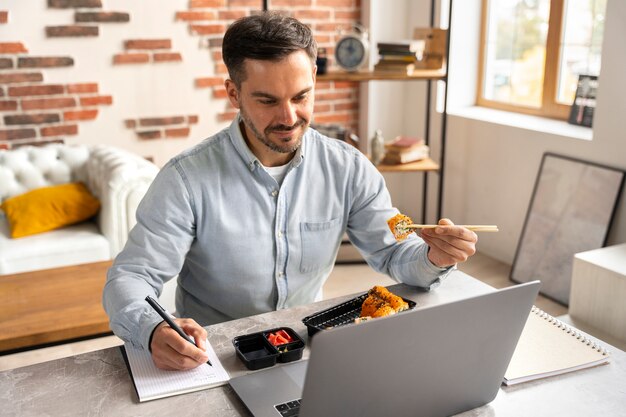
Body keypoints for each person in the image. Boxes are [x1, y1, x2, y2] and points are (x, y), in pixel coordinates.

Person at [102, 12, 477, 371]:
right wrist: (152, 329)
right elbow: (131, 277)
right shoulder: (185, 179)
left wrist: (434, 256)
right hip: (210, 356)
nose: (288, 117)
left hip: (309, 347)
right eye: (267, 100)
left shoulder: (349, 167)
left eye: (301, 96)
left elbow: (396, 250)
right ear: (233, 93)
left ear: (314, 77)